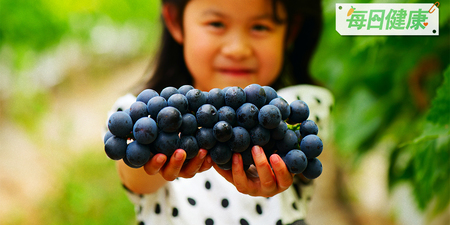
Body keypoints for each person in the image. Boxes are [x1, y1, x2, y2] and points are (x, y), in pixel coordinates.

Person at [108, 0, 334, 224]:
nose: (238, 49)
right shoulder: (141, 112)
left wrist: (279, 171)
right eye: (216, 24)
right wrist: (153, 158)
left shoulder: (298, 105)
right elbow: (134, 175)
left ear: (291, 31)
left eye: (259, 27)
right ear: (175, 22)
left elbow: (306, 159)